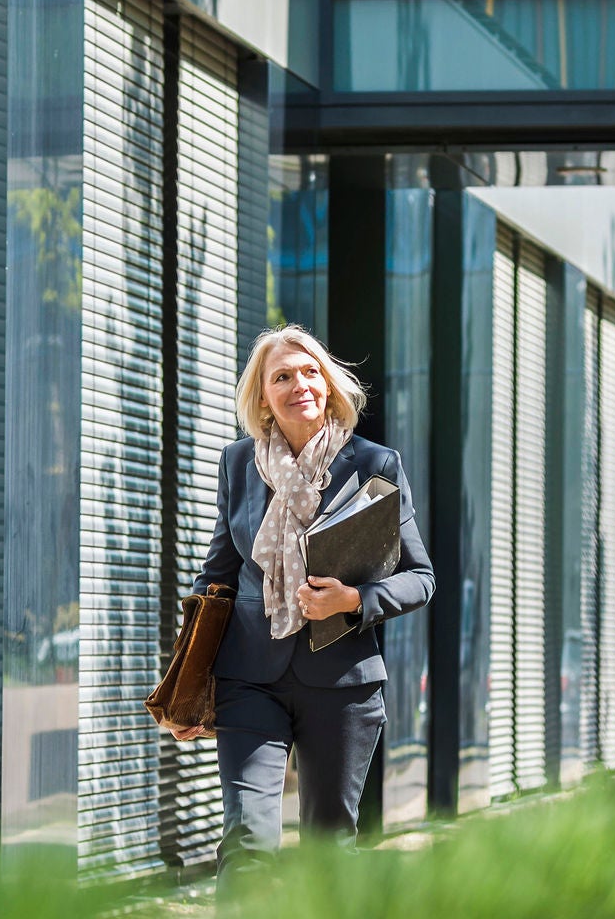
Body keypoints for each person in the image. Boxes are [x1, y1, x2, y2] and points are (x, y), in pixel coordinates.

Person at [176, 325, 434, 882]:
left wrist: (355, 599)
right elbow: (217, 575)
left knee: (327, 853)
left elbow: (421, 577)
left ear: (330, 383)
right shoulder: (239, 464)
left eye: (310, 371)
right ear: (263, 397)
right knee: (246, 840)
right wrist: (187, 678)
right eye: (282, 376)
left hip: (343, 684)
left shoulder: (374, 464)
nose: (300, 385)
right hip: (250, 677)